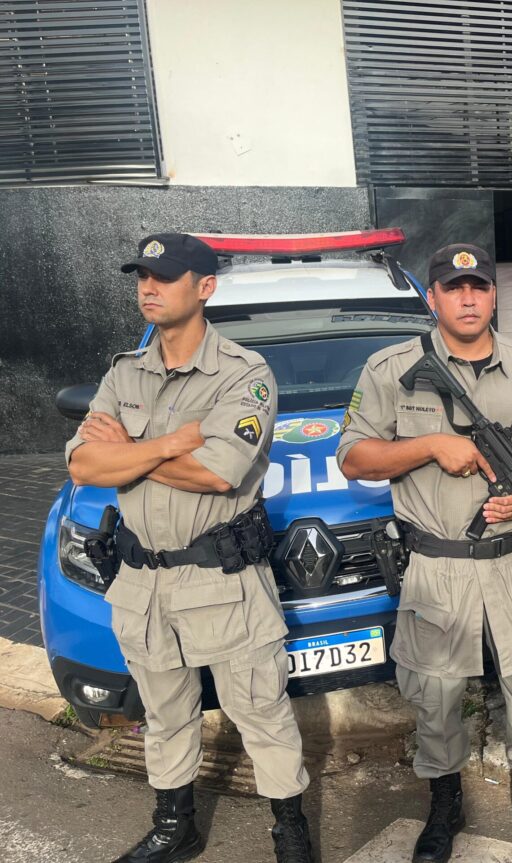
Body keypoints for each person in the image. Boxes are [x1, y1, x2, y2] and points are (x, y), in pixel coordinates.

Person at [66, 233, 314, 863]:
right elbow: (82, 465)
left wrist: (127, 450)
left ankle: (290, 832)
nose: (149, 287)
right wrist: (170, 443)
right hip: (143, 581)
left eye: (165, 276)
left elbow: (219, 472)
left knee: (260, 711)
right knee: (164, 711)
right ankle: (176, 826)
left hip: (220, 579)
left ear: (204, 287)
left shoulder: (243, 374)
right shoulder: (125, 371)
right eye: (142, 276)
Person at [337, 243, 512, 863]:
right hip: (438, 566)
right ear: (434, 298)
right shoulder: (390, 367)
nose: (468, 298)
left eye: (479, 287)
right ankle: (443, 805)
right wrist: (428, 446)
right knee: (436, 695)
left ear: (494, 295)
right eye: (454, 288)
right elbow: (353, 457)